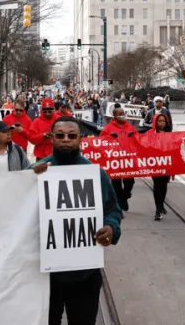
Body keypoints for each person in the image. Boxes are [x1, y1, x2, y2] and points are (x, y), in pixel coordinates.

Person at [29, 117, 121, 325]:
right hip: (43, 275)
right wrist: (27, 178)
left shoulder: (96, 175)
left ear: (80, 139)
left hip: (84, 274)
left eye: (72, 136)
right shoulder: (35, 172)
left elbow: (113, 210)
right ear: (51, 138)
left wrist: (111, 228)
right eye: (60, 135)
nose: (66, 140)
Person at [101, 104, 136, 211]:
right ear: (114, 116)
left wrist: (133, 136)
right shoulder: (108, 128)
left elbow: (139, 140)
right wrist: (109, 137)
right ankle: (119, 203)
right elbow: (101, 141)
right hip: (115, 159)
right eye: (119, 114)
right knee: (116, 183)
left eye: (123, 114)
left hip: (128, 159)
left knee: (129, 181)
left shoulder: (130, 127)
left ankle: (124, 197)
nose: (122, 116)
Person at [147, 113, 173, 221]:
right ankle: (157, 209)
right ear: (155, 122)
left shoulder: (170, 134)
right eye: (159, 121)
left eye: (163, 121)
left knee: (164, 185)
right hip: (155, 164)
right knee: (157, 186)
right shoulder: (150, 133)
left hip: (166, 164)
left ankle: (161, 204)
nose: (161, 123)